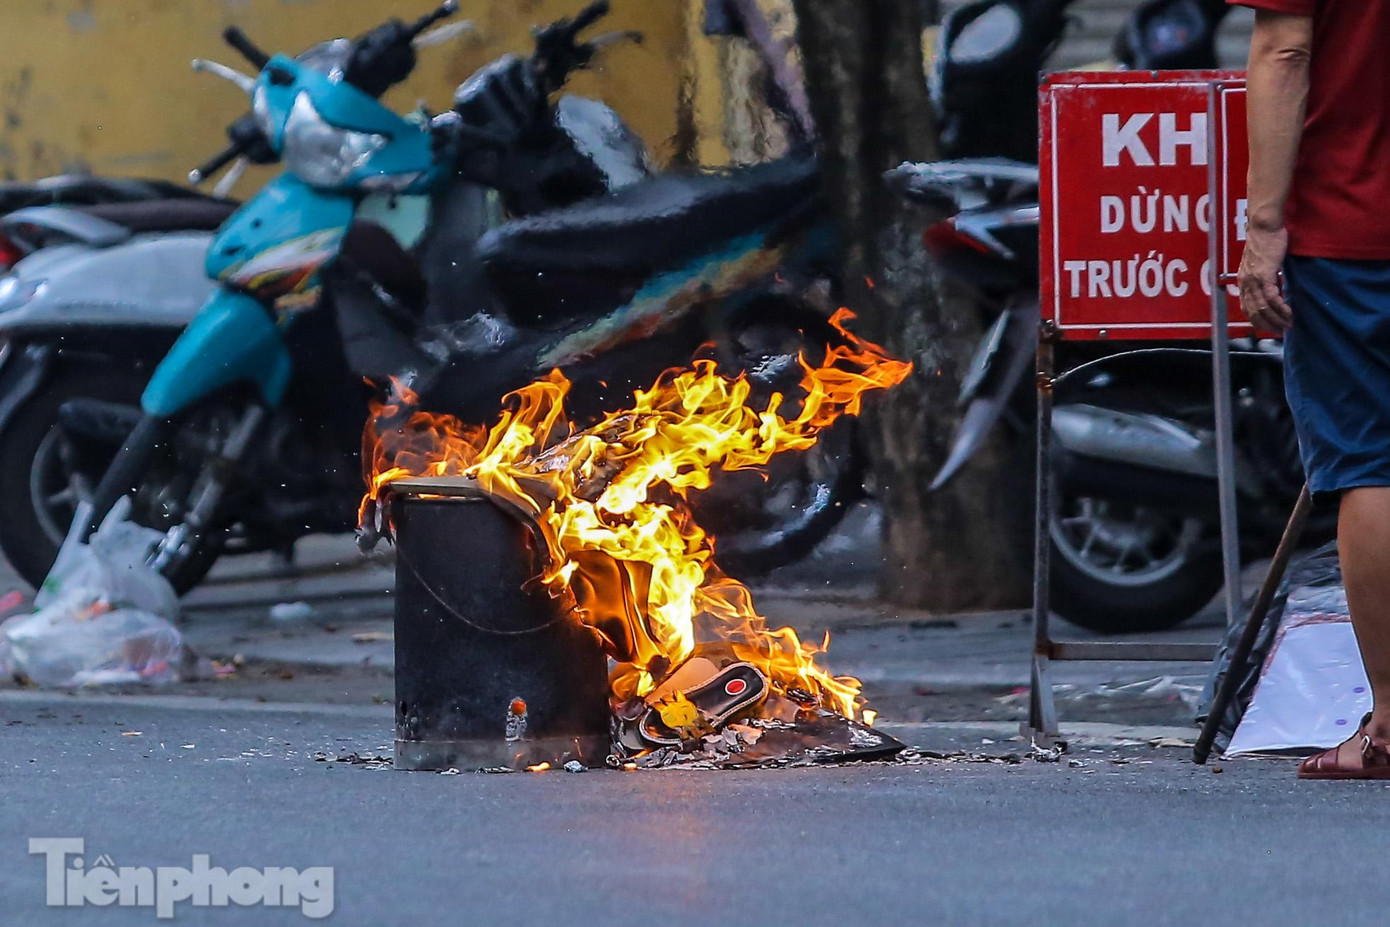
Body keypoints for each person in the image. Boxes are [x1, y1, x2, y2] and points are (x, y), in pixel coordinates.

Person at [1235, 0, 1390, 779]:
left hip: (1353, 230)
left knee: (1371, 463)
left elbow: (1284, 50)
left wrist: (1263, 227)